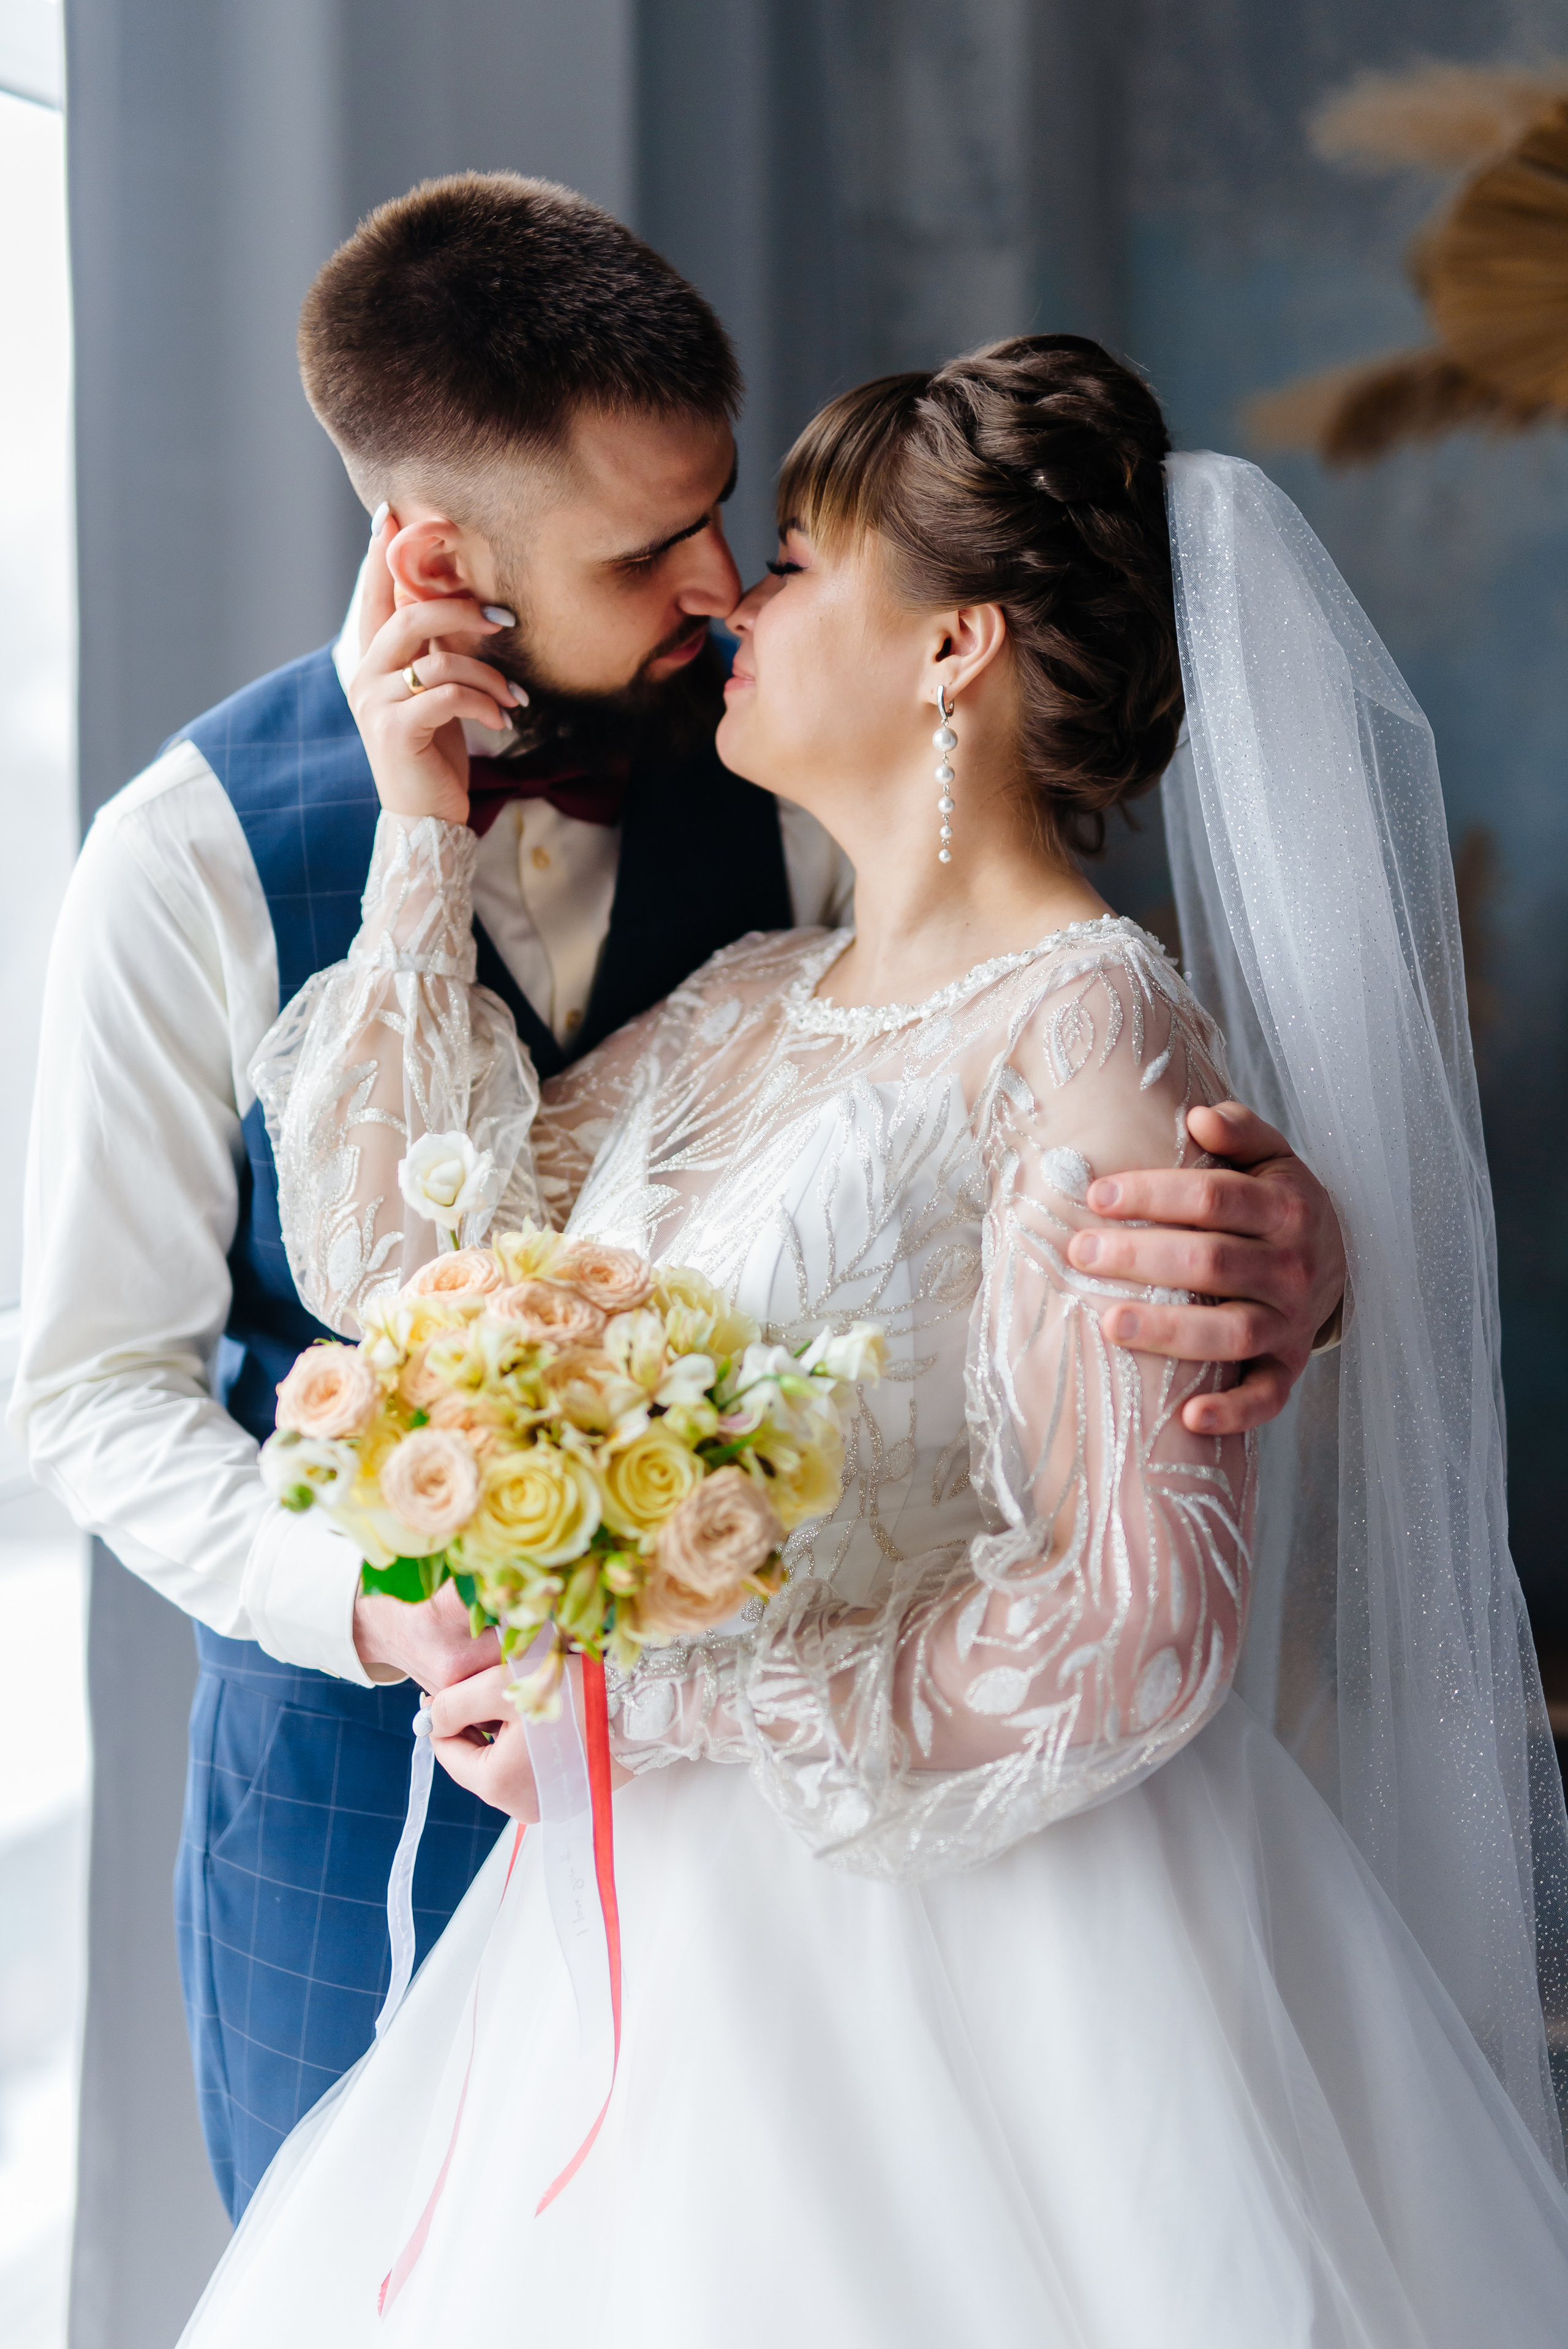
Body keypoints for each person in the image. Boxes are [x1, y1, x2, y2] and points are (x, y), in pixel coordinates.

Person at [176, 339, 1568, 2347]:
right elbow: (408, 1261)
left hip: (979, 1955)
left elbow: (1142, 1621)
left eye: (809, 559)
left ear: (956, 650)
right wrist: (418, 825)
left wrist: (676, 1712)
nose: (744, 592)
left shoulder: (1093, 1030)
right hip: (630, 1942)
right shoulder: (749, 995)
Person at [11, 176, 1341, 2225]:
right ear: (440, 554)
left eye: (757, 531)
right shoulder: (175, 864)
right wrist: (396, 1603)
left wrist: (1294, 1265)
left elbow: (1034, 1141)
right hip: (365, 1788)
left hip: (878, 1874)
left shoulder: (801, 816)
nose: (726, 585)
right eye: (660, 547)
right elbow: (119, 1374)